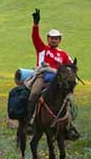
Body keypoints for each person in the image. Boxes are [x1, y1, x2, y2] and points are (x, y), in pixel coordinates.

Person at [26, 9, 78, 139]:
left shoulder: (63, 54)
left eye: (56, 38)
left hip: (58, 81)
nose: (54, 40)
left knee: (70, 99)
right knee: (34, 94)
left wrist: (73, 78)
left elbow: (71, 67)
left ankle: (69, 125)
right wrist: (35, 24)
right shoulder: (42, 49)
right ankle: (30, 121)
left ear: (59, 40)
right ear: (48, 39)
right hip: (42, 77)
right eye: (51, 38)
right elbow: (35, 38)